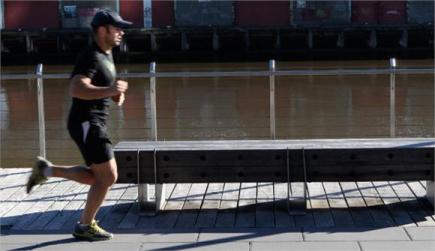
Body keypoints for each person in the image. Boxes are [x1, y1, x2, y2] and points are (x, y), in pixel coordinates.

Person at [26, 9, 131, 241]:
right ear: (103, 30)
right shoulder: (91, 55)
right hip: (86, 122)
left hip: (94, 122)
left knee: (97, 177)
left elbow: (103, 88)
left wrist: (114, 94)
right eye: (118, 27)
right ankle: (85, 226)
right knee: (108, 177)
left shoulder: (107, 54)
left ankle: (45, 170)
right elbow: (77, 88)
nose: (122, 32)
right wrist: (111, 90)